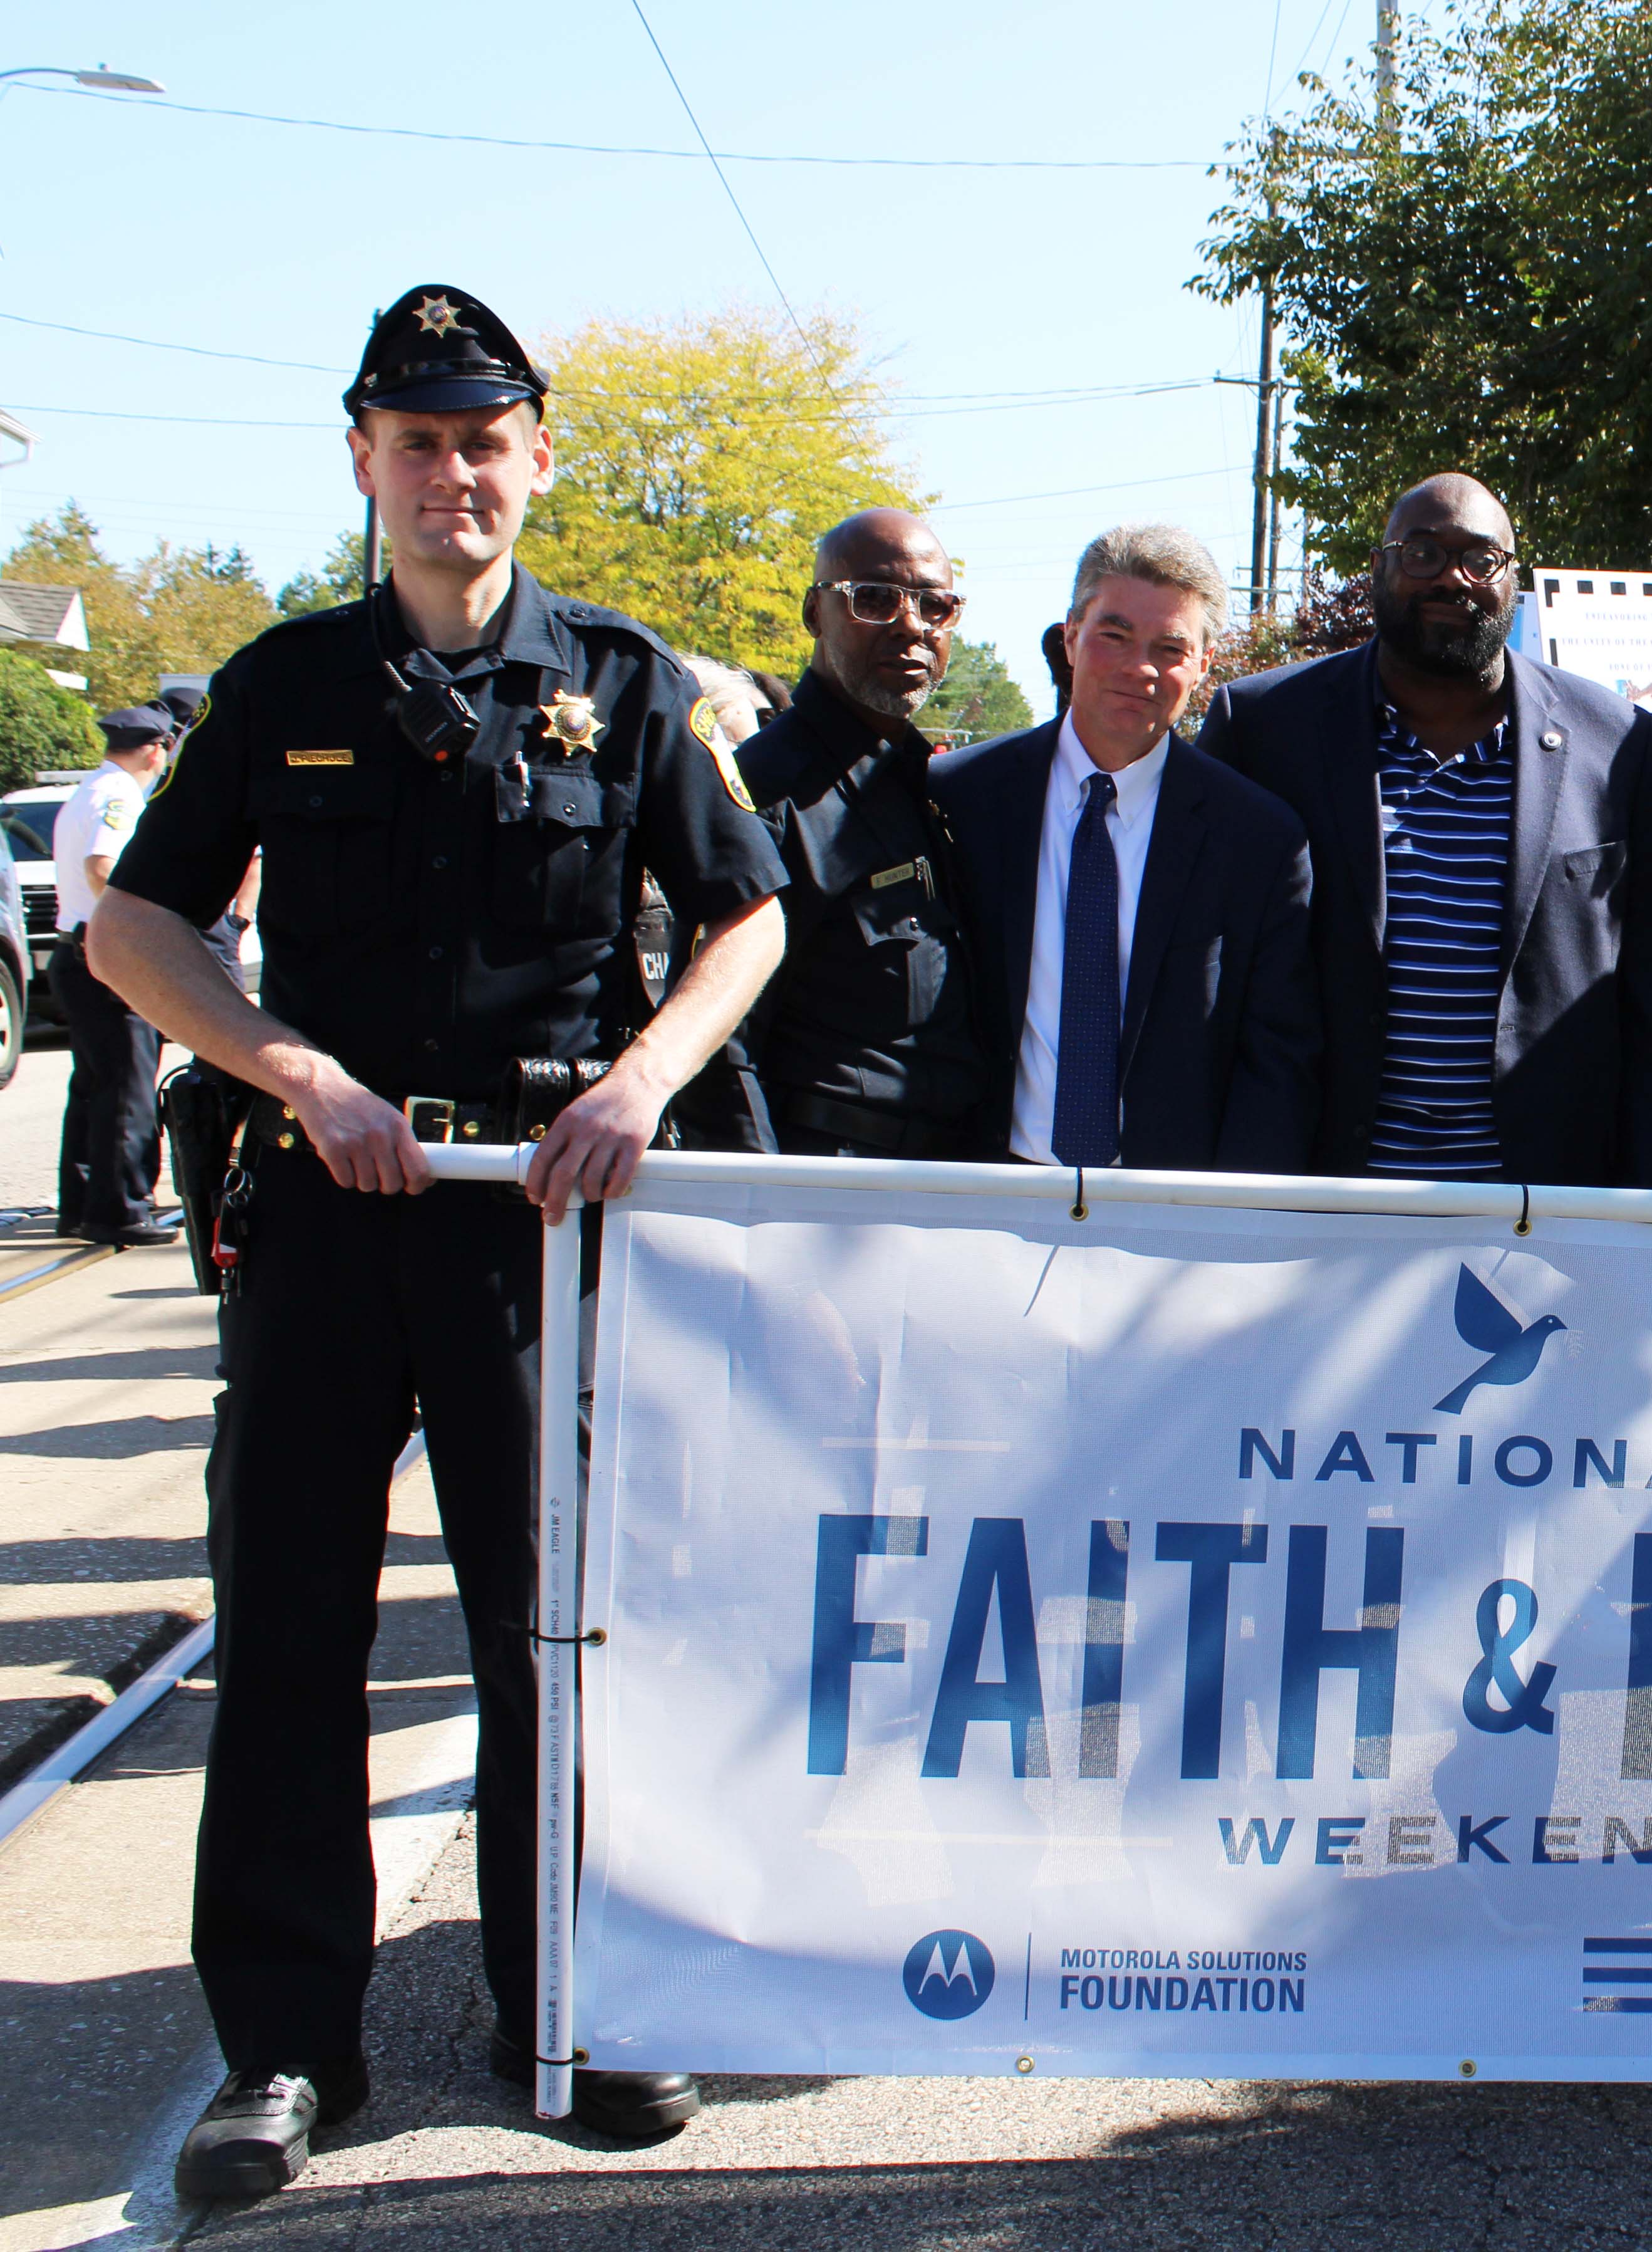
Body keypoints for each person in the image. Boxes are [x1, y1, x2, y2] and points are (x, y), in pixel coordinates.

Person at [85, 284, 788, 2197]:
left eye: (486, 443)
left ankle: (556, 2004)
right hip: (329, 1207)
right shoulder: (282, 685)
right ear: (365, 464)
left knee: (544, 1634)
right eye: (419, 444)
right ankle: (289, 2054)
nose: (454, 476)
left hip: (531, 1228)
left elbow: (746, 918)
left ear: (535, 460)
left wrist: (639, 1081)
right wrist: (288, 1066)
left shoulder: (629, 682)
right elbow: (131, 933)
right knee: (294, 1631)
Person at [1194, 472, 1652, 1187]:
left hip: (1540, 1210)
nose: (1452, 578)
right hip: (1319, 1196)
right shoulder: (1265, 729)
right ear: (1380, 567)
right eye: (1422, 552)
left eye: (1480, 559)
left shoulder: (1616, 743)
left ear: (1511, 579)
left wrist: (1644, 1204)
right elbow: (1209, 972)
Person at [933, 524, 1319, 1171]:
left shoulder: (1259, 840)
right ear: (1071, 638)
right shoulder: (961, 800)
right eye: (1113, 636)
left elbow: (1278, 1065)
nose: (1140, 667)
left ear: (1203, 664)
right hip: (984, 1202)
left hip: (1165, 1221)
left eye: (1169, 647)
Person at [673, 511, 983, 1158]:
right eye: (873, 599)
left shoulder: (934, 785)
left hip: (946, 1186)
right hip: (825, 1188)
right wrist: (762, 1210)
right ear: (816, 613)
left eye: (936, 606)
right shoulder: (760, 791)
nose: (911, 626)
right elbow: (717, 1042)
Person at [52, 706, 179, 1246]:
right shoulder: (122, 795)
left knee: (94, 1084)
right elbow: (102, 867)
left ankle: (81, 1204)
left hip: (73, 948)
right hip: (104, 951)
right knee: (127, 1083)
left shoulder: (88, 789)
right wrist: (135, 927)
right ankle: (122, 1207)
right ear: (156, 749)